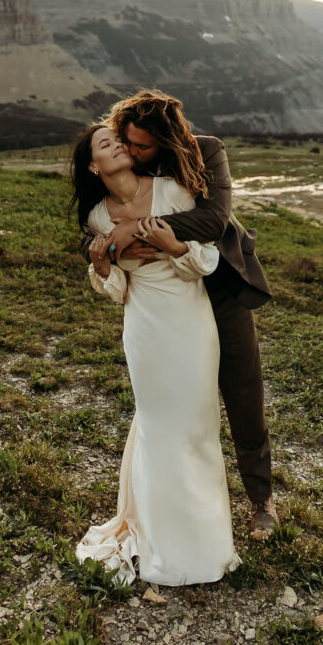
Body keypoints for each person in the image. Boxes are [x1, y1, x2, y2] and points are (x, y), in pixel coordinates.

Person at [98, 89, 278, 541]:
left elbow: (214, 220)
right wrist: (103, 242)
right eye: (128, 143)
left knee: (243, 394)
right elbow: (96, 217)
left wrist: (137, 230)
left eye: (142, 146)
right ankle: (182, 505)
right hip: (171, 304)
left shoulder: (208, 151)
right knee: (180, 407)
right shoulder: (131, 162)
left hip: (220, 292)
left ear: (166, 139)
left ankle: (261, 501)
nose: (132, 152)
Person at [70, 124, 240, 586]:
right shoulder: (98, 219)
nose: (119, 145)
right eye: (107, 144)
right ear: (93, 166)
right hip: (145, 328)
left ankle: (206, 543)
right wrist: (103, 268)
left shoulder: (172, 191)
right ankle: (160, 540)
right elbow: (117, 289)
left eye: (119, 140)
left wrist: (173, 246)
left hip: (190, 321)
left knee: (197, 427)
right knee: (158, 425)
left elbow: (204, 262)